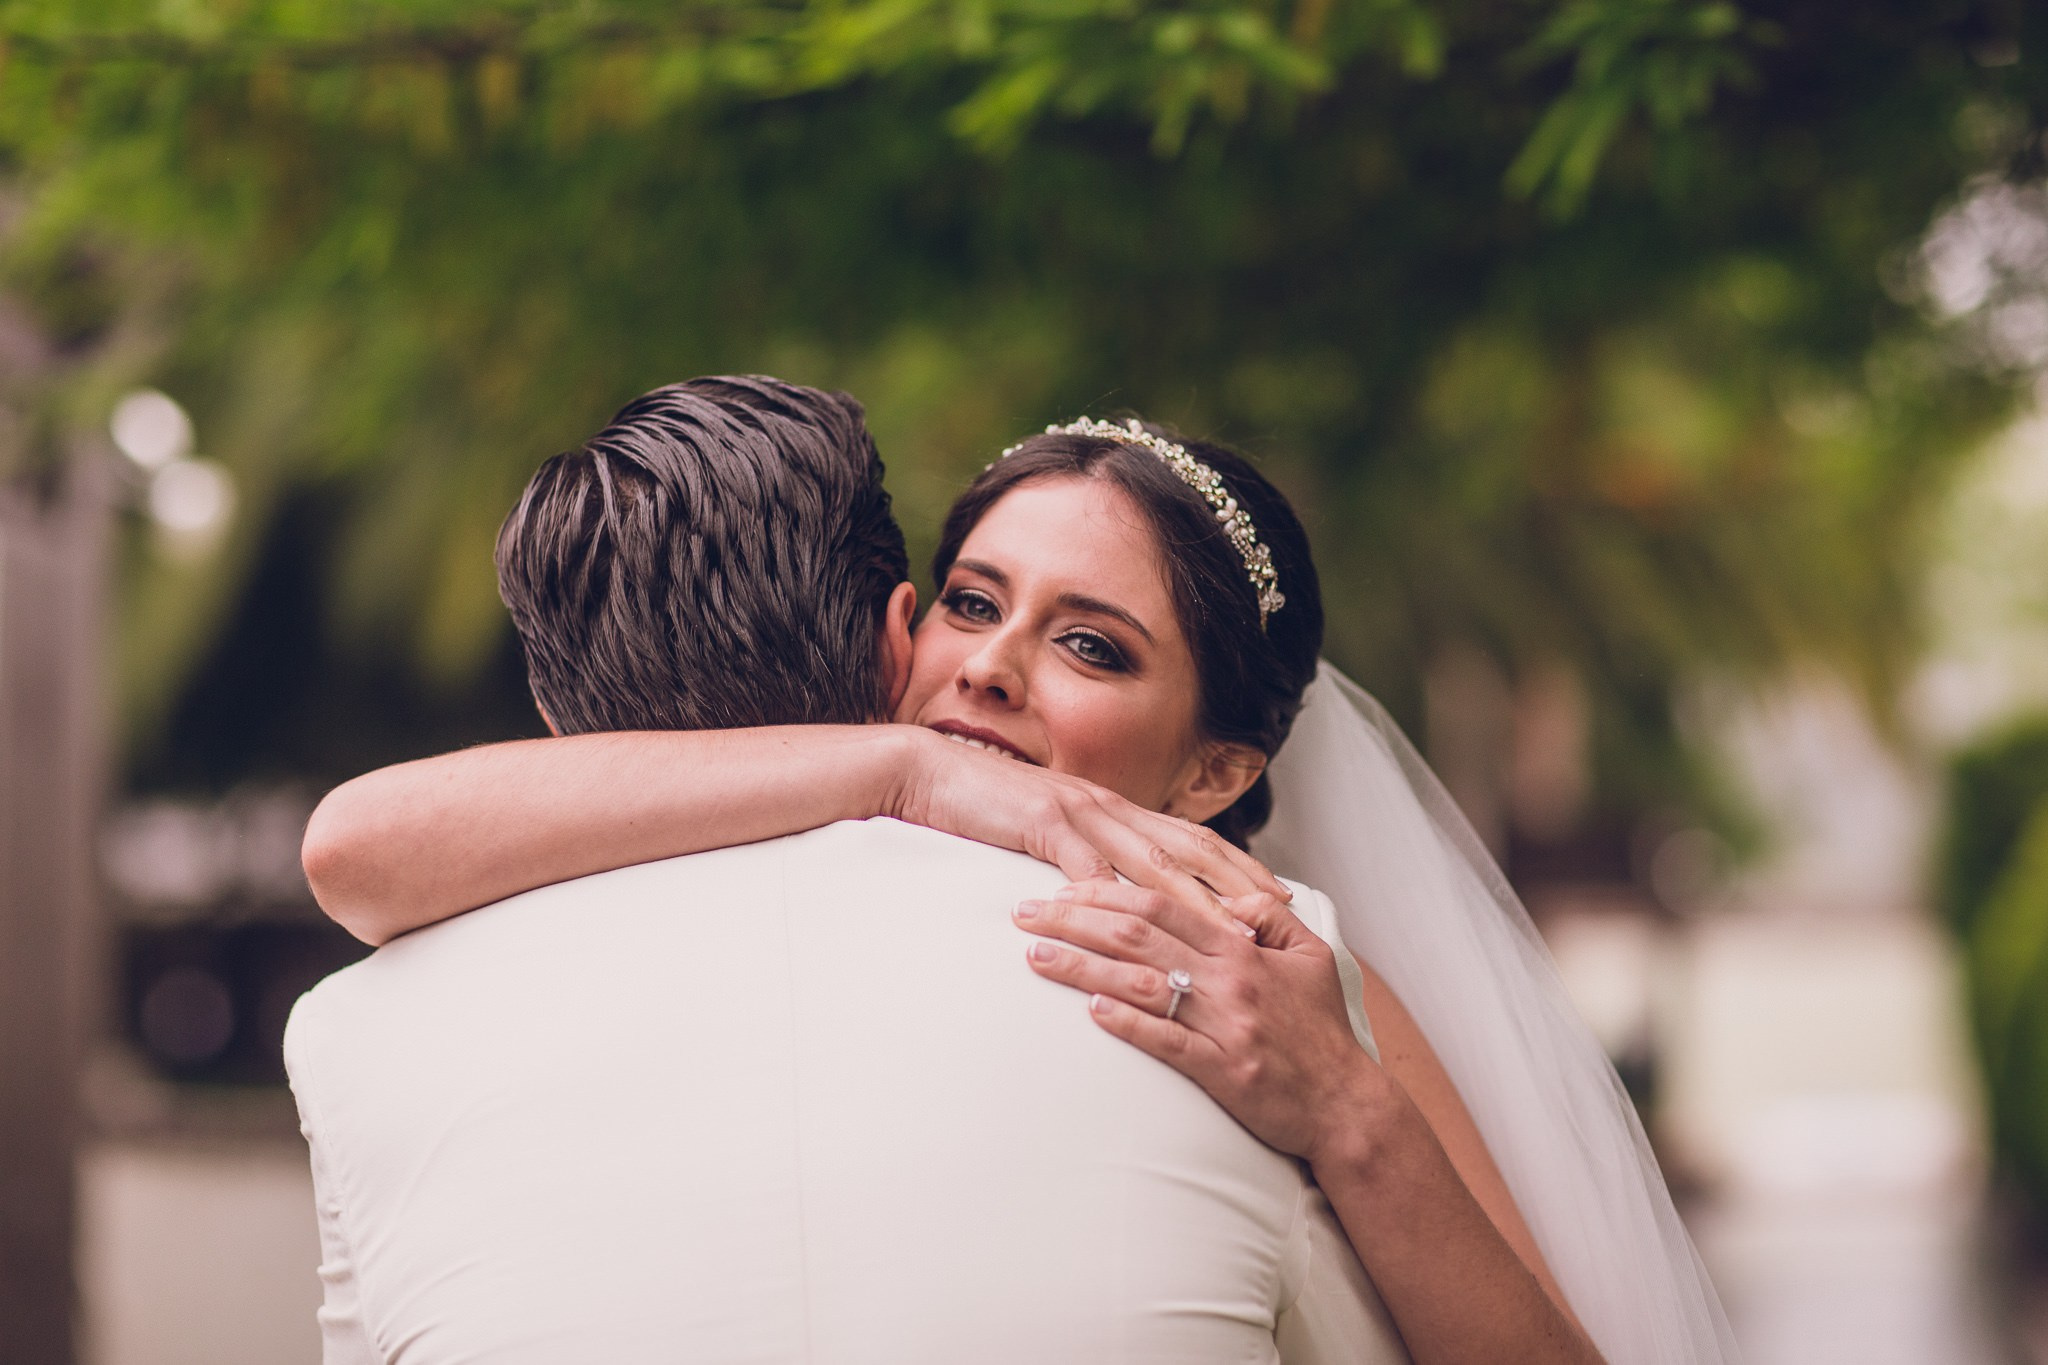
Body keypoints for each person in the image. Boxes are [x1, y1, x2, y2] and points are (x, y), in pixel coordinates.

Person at [304, 390, 1741, 1362]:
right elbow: (356, 844)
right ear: (899, 634)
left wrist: (1351, 1110)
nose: (990, 664)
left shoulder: (1266, 959)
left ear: (1214, 775)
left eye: (1092, 644)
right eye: (977, 604)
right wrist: (900, 771)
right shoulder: (842, 802)